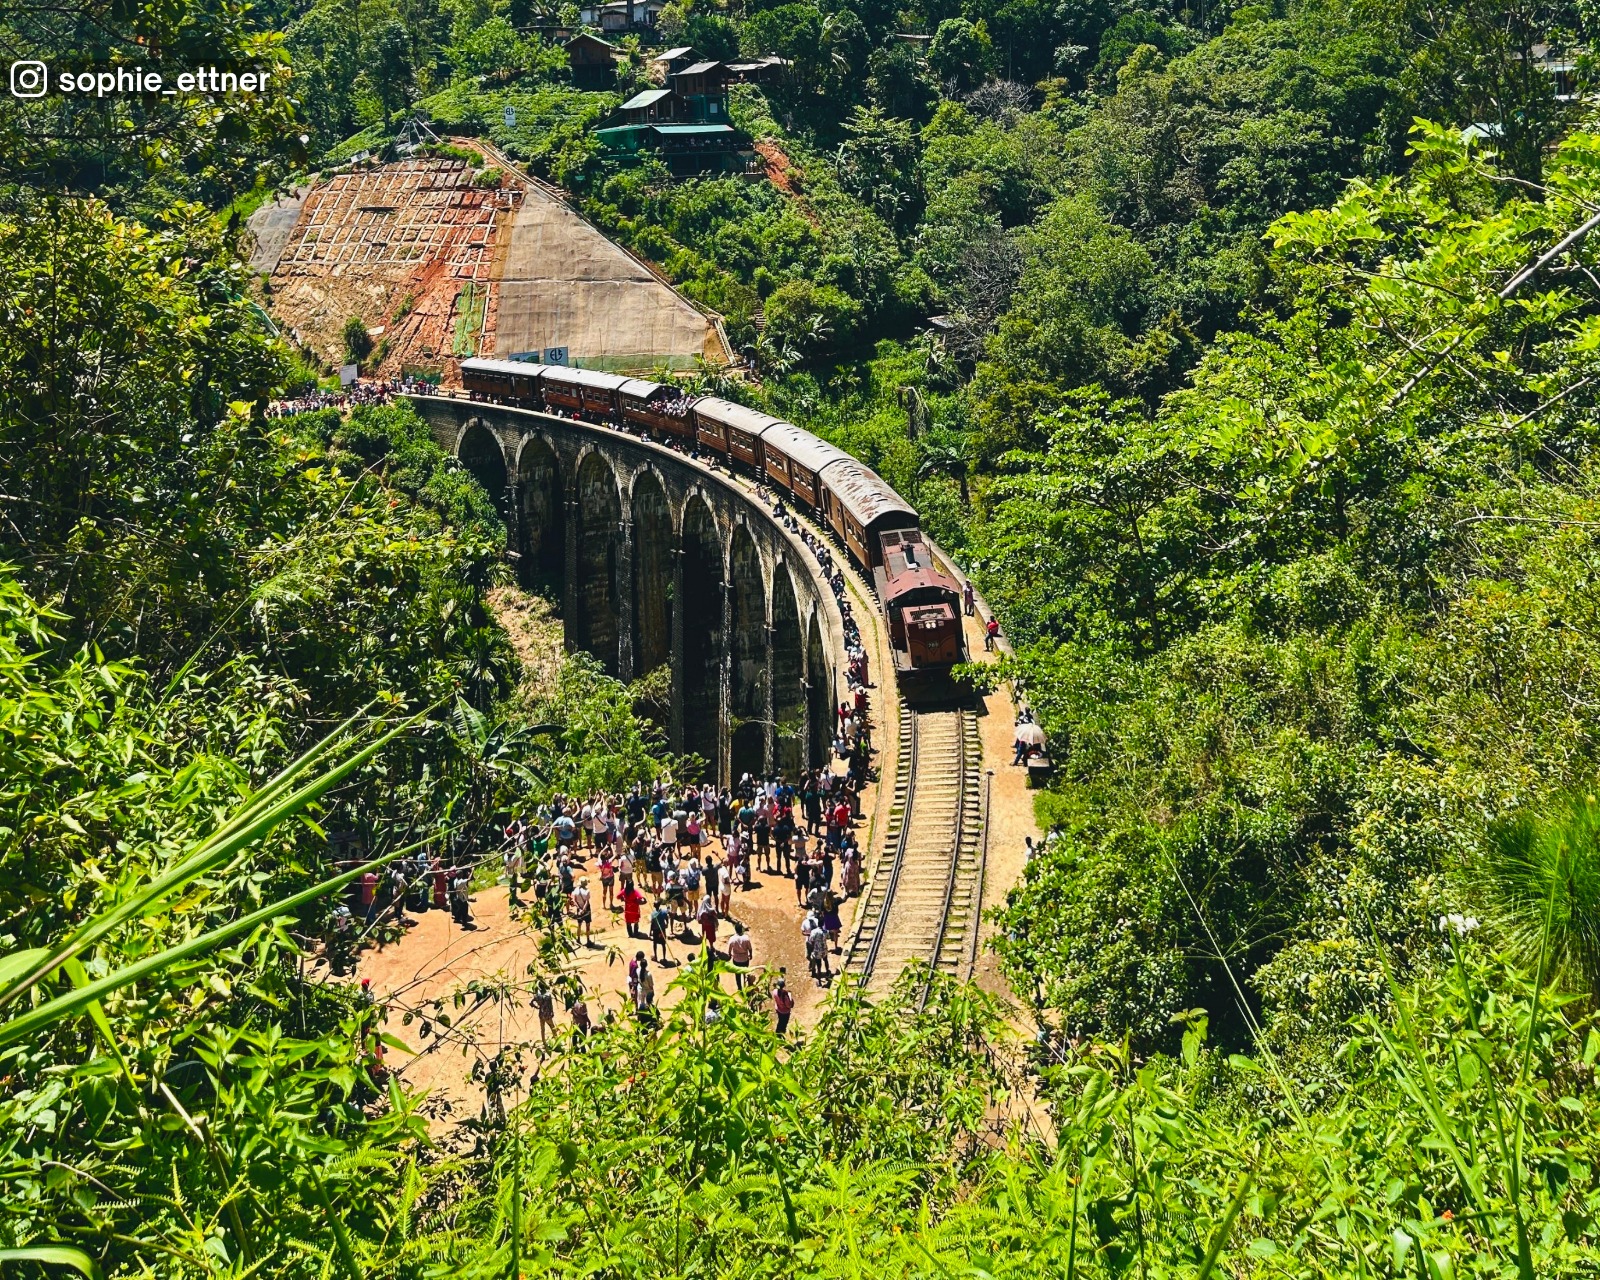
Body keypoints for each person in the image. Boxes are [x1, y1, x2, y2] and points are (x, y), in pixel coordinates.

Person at [727, 923, 753, 990]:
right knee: (745, 972)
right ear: (741, 929)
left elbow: (729, 949)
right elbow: (750, 948)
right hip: (745, 959)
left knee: (737, 974)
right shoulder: (746, 938)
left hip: (736, 960)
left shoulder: (732, 939)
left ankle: (739, 988)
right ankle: (745, 984)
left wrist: (730, 955)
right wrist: (751, 955)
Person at [570, 877, 594, 946]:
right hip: (586, 909)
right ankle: (588, 940)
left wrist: (579, 909)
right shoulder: (587, 891)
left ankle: (578, 939)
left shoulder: (575, 891)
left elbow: (574, 900)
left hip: (579, 909)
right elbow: (587, 902)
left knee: (579, 925)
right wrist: (583, 910)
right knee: (587, 925)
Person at [649, 898, 672, 963]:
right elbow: (667, 918)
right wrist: (667, 923)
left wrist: (650, 931)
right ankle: (664, 958)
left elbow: (652, 923)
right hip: (662, 930)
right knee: (663, 944)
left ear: (654, 906)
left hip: (656, 930)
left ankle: (655, 956)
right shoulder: (663, 912)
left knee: (655, 943)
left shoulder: (653, 914)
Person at [698, 890, 719, 957]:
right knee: (711, 937)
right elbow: (715, 915)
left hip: (704, 926)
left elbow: (699, 919)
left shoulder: (701, 909)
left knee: (704, 936)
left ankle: (705, 947)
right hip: (710, 926)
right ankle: (711, 947)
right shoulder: (711, 910)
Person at [504, 841, 525, 907]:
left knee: (512, 885)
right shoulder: (514, 857)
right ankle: (513, 900)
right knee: (513, 886)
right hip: (513, 871)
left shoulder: (505, 857)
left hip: (509, 871)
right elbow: (520, 854)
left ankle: (514, 898)